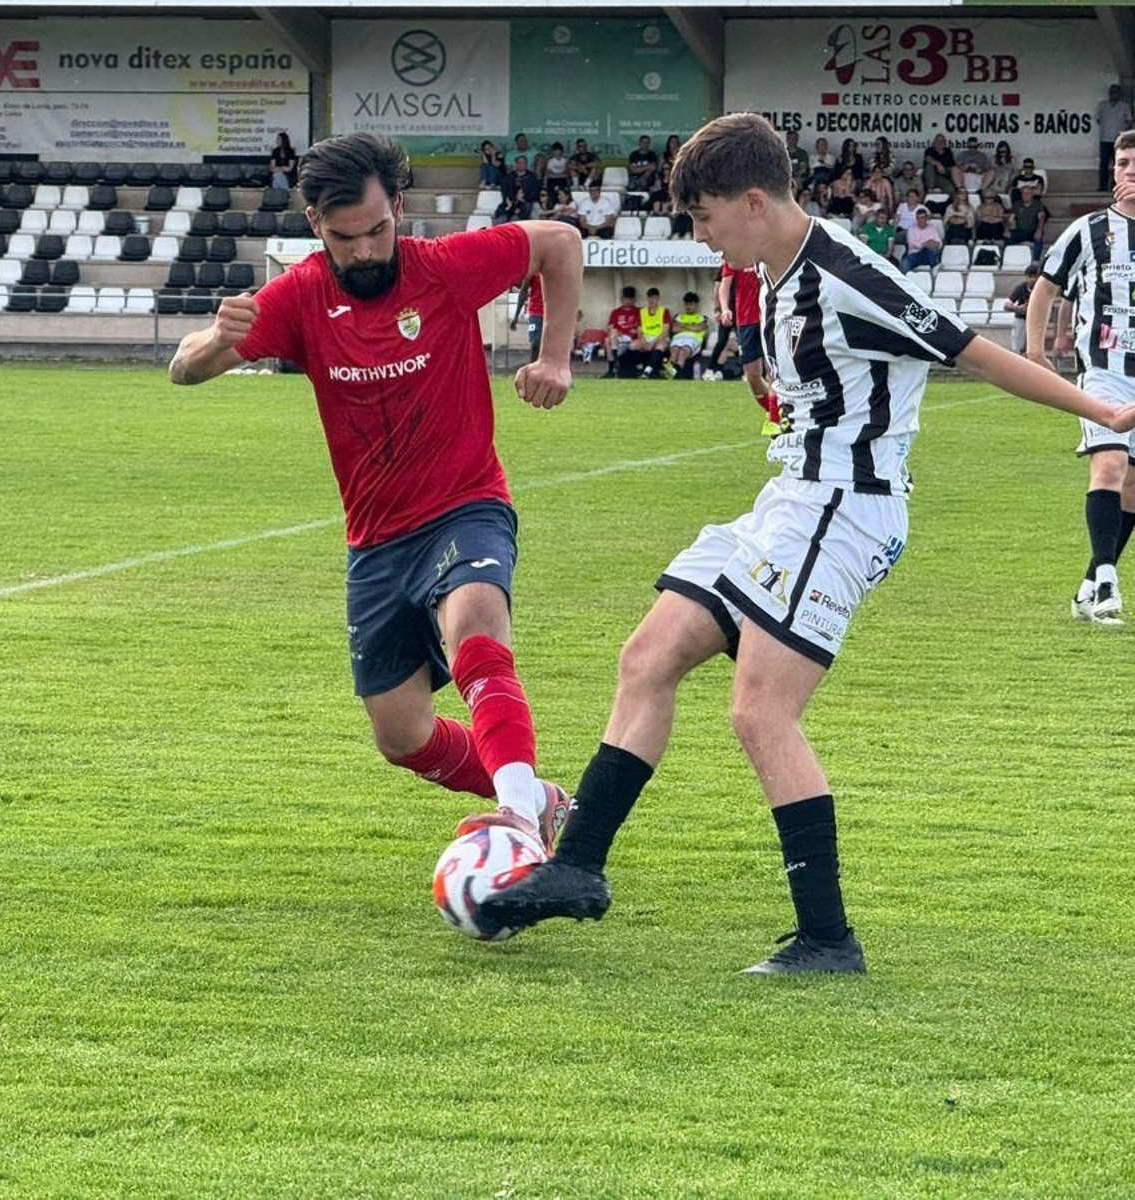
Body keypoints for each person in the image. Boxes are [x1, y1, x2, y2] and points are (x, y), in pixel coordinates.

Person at [478, 111, 1135, 972]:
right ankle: (577, 869)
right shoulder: (776, 269)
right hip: (789, 496)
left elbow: (970, 350)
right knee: (648, 656)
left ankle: (828, 939)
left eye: (706, 218)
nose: (701, 234)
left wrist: (1108, 409)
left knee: (760, 710)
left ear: (754, 202)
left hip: (844, 506)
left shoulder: (842, 269)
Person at [167, 131, 584, 854]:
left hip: (466, 503)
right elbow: (184, 371)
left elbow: (561, 242)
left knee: (477, 625)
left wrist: (555, 358)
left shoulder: (446, 269)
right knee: (401, 735)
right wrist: (214, 340)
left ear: (398, 207)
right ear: (314, 228)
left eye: (378, 230)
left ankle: (518, 820)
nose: (365, 251)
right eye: (345, 238)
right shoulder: (299, 295)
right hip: (377, 540)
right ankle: (539, 798)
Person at [1029, 131, 1135, 625]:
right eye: (1122, 163)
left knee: (1131, 489)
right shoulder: (1089, 230)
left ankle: (1089, 586)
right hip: (1103, 375)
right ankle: (1111, 583)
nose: (1128, 170)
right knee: (1109, 465)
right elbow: (1045, 288)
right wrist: (1036, 348)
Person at [715, 258, 771, 425]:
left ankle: (776, 418)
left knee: (772, 371)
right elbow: (724, 284)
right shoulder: (735, 253)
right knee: (753, 376)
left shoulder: (765, 250)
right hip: (745, 321)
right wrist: (725, 309)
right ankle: (773, 411)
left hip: (768, 318)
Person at [1095, 85, 1131, 192]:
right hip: (1105, 138)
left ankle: (1115, 186)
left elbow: (1129, 121)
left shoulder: (1124, 106)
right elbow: (1098, 120)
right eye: (1112, 92)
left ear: (1119, 94)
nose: (1114, 94)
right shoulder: (1102, 105)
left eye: (1116, 92)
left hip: (1119, 140)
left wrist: (1123, 132)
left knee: (1118, 163)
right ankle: (1102, 186)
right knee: (1104, 164)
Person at [666, 291, 707, 378]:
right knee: (674, 351)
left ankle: (678, 375)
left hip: (693, 339)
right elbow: (674, 329)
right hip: (678, 338)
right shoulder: (678, 316)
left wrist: (683, 325)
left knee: (683, 352)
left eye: (691, 304)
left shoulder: (702, 317)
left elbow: (699, 328)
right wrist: (691, 326)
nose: (688, 306)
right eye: (686, 304)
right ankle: (670, 374)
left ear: (696, 305)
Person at [606, 285, 643, 378]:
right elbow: (610, 327)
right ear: (622, 299)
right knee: (608, 339)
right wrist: (617, 332)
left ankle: (619, 365)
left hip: (632, 340)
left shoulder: (639, 311)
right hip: (618, 339)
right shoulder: (616, 312)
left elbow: (641, 328)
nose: (628, 301)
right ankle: (612, 368)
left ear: (634, 299)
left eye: (630, 299)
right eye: (626, 298)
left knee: (636, 344)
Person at [1009, 182, 1050, 262]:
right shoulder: (1017, 205)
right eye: (1024, 193)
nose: (1026, 195)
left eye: (1028, 193)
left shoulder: (1038, 205)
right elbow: (1011, 218)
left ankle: (1035, 260)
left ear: (1032, 194)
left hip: (1032, 230)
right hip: (1019, 230)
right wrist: (1007, 229)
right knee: (1008, 239)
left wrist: (1039, 230)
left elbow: (1041, 217)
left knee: (1038, 240)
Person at [1003, 261, 1039, 353]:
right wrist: (1019, 308)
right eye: (1030, 276)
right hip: (1021, 321)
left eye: (1035, 277)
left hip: (1037, 322)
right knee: (1019, 348)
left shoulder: (1042, 289)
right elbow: (1006, 305)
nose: (1032, 279)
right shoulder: (1021, 288)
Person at [637, 287, 672, 378]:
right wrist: (642, 340)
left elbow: (665, 331)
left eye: (654, 298)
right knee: (633, 345)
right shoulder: (642, 311)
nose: (652, 300)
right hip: (646, 337)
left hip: (660, 338)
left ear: (658, 299)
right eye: (650, 298)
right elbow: (639, 330)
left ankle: (647, 371)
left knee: (660, 346)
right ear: (647, 299)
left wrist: (653, 342)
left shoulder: (664, 311)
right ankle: (631, 370)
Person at [900, 205, 944, 272]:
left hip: (929, 253)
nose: (920, 220)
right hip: (915, 254)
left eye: (922, 218)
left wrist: (934, 244)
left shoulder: (932, 228)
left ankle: (932, 275)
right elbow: (912, 244)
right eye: (918, 218)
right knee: (905, 263)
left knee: (933, 252)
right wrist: (925, 243)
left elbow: (939, 243)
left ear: (926, 218)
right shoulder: (911, 229)